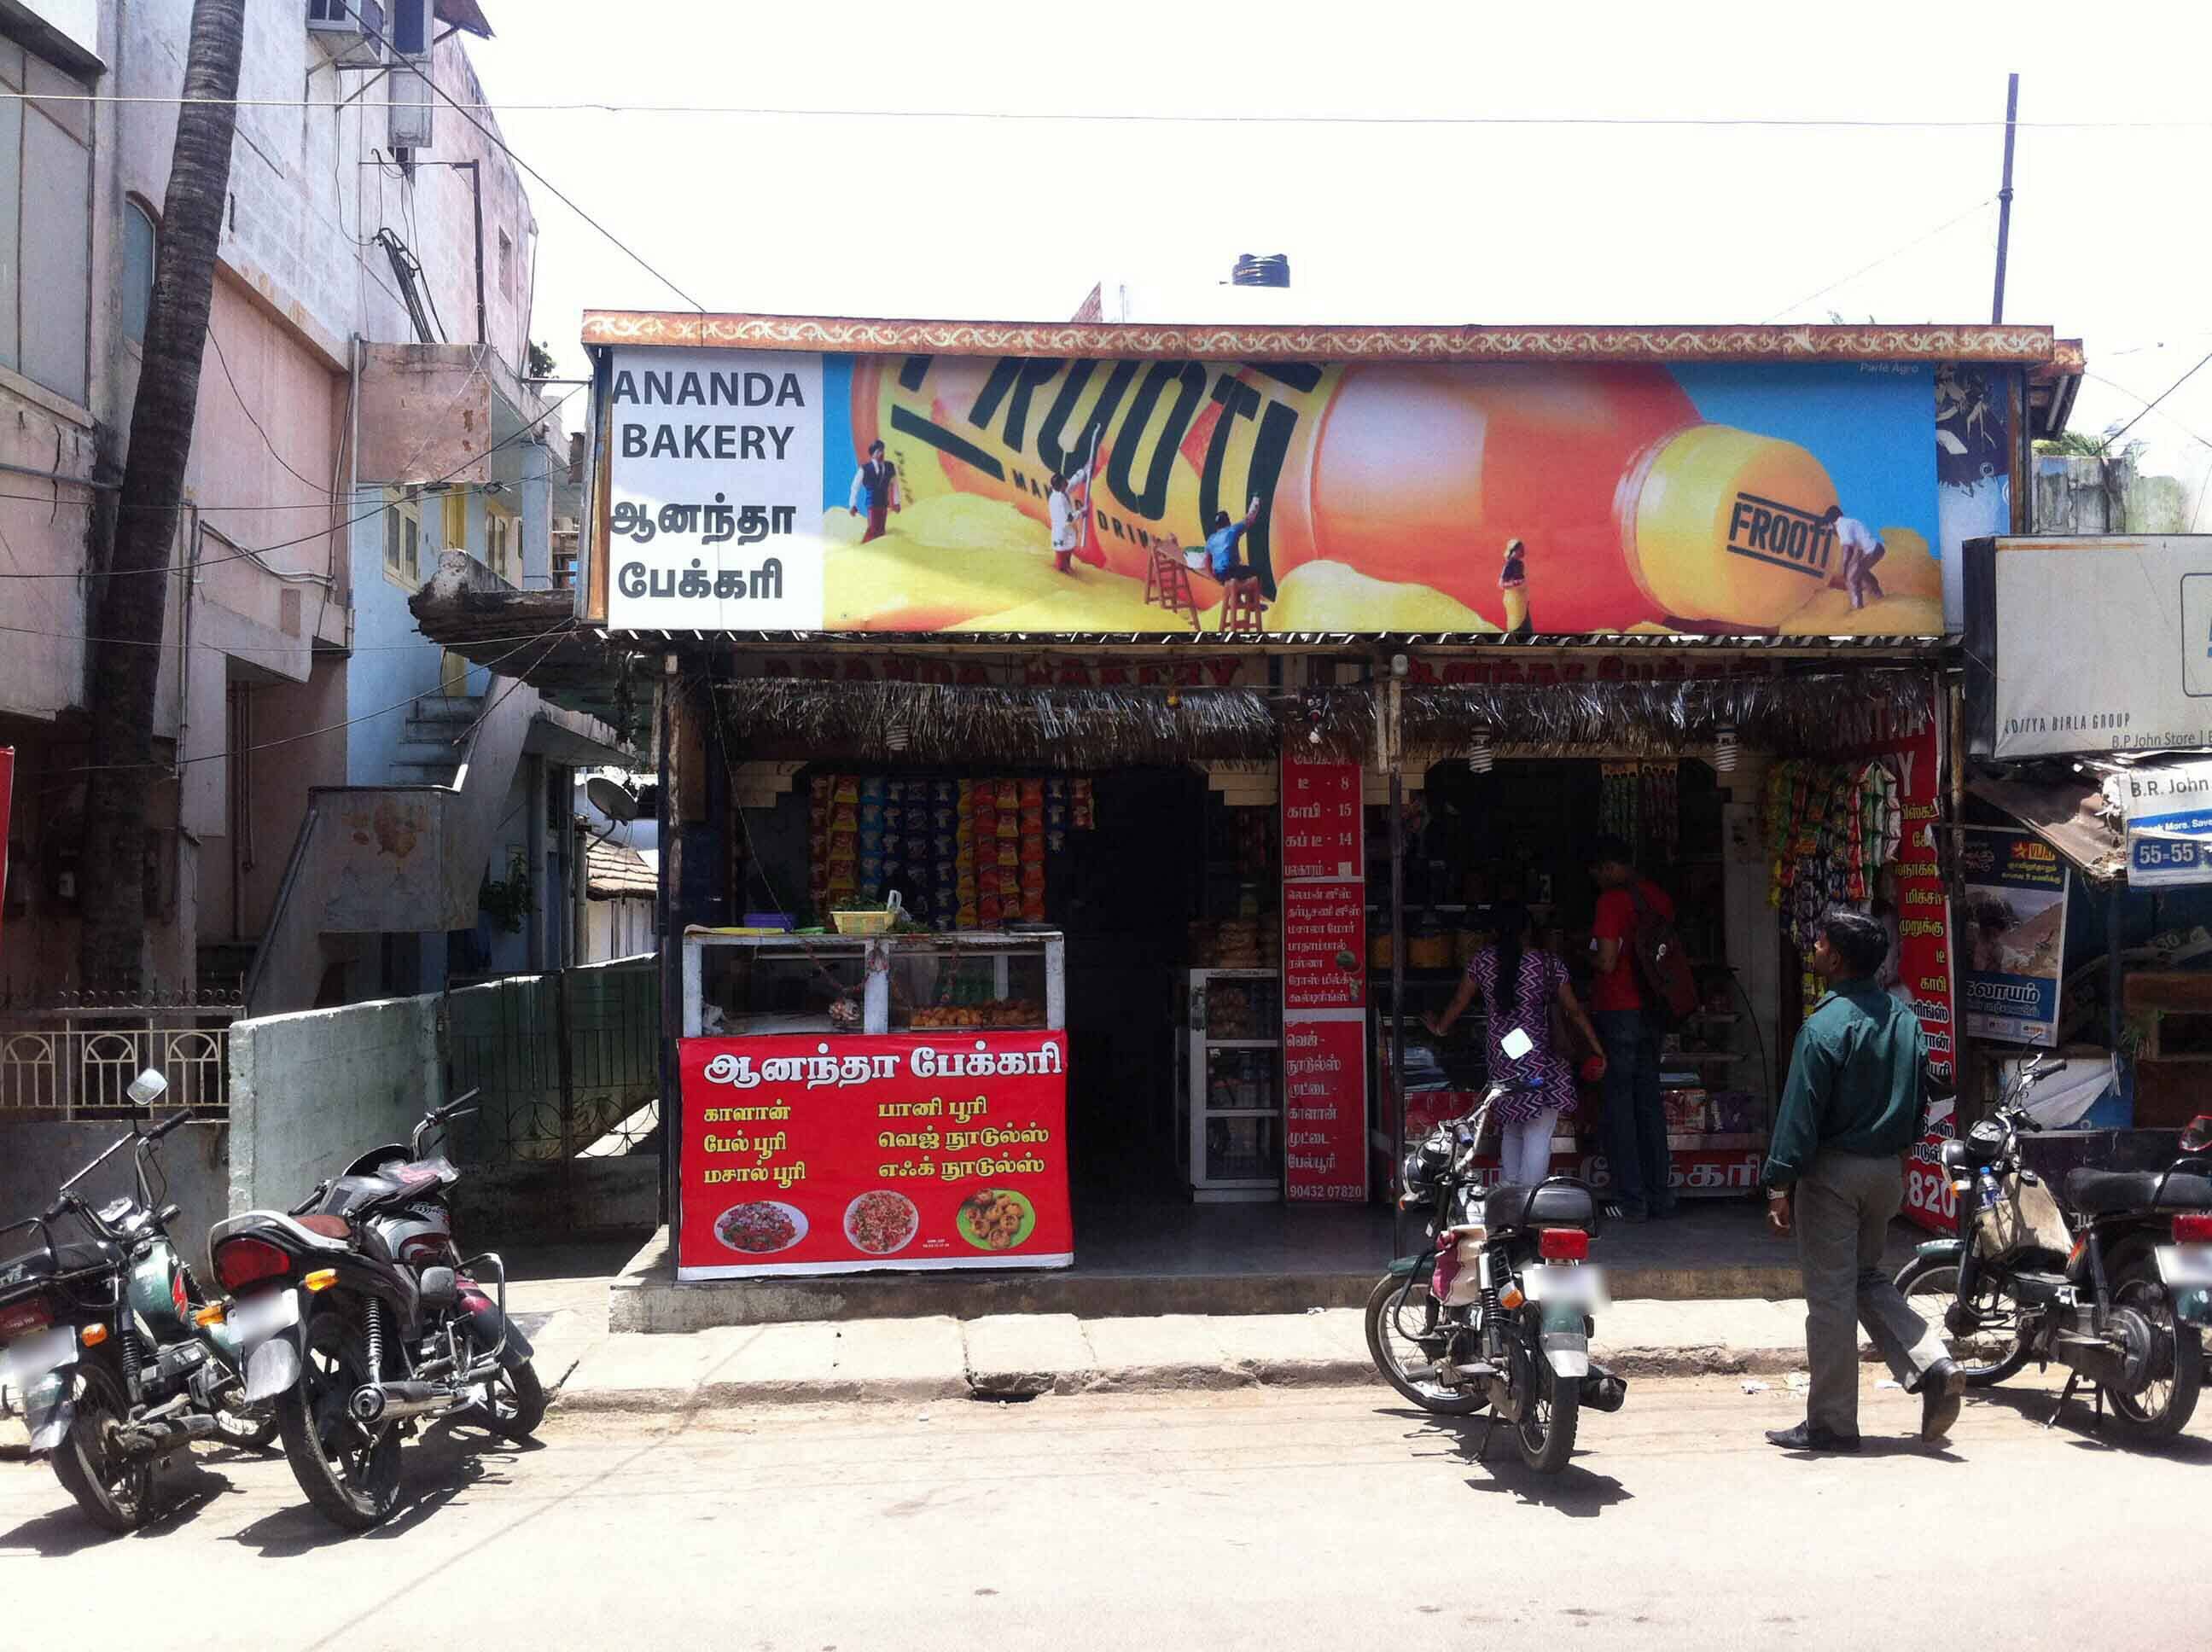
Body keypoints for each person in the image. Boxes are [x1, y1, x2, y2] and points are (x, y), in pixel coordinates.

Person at [1763, 908, 1961, 1454]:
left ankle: (1831, 1423)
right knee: (1864, 1278)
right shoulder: (1906, 1020)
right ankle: (1933, 1362)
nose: (1815, 950)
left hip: (1834, 1173)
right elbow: (1928, 1095)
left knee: (1829, 1298)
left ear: (1840, 957)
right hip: (1887, 1172)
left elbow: (1798, 1114)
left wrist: (1779, 1184)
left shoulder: (1824, 1026)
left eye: (1821, 942)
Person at [1424, 904, 1604, 1187]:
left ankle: (1508, 1194)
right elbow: (1574, 1011)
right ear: (1530, 931)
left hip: (1503, 1054)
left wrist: (1439, 1028)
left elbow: (1459, 1002)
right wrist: (1596, 1047)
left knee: (1512, 1127)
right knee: (1538, 1131)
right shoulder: (1548, 963)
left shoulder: (1482, 961)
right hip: (1543, 1055)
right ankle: (1529, 1202)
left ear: (1494, 932)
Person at [1587, 835, 1674, 1222]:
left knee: (1619, 1105)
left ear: (1608, 867)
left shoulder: (1611, 901)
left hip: (1618, 1009)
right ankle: (1661, 1195)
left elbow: (1606, 961)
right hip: (1652, 1009)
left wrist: (1581, 950)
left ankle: (1631, 1200)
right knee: (1649, 1103)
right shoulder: (1658, 897)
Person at [1204, 497, 1266, 618]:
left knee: (1237, 570)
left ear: (1216, 526)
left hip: (1219, 575)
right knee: (1256, 574)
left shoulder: (1211, 538)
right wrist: (1256, 502)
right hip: (1230, 572)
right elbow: (1249, 519)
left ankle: (1237, 599)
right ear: (1228, 522)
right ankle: (1253, 603)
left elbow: (1207, 560)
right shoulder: (1232, 530)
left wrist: (1212, 576)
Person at [1820, 504, 1885, 610]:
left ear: (1831, 523)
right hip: (1875, 549)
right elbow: (1857, 550)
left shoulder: (1841, 526)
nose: (1828, 529)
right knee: (1859, 573)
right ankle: (1879, 598)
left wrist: (1844, 568)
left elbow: (1847, 550)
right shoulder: (1849, 522)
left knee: (1851, 578)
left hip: (1872, 551)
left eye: (1828, 525)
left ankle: (1857, 610)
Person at [847, 441, 901, 543]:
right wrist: (852, 505)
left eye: (882, 451)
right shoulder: (865, 469)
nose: (881, 454)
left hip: (884, 504)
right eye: (878, 451)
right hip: (872, 504)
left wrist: (897, 502)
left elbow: (895, 485)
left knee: (881, 531)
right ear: (873, 454)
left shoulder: (890, 466)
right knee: (873, 530)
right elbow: (855, 487)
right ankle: (863, 549)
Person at [1047, 463, 1090, 575]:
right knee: (1060, 566)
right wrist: (1082, 512)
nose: (1067, 482)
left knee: (1067, 560)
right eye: (1064, 482)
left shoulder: (1059, 492)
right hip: (1061, 534)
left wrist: (1083, 471)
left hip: (1066, 533)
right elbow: (1068, 518)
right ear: (1060, 485)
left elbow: (1071, 485)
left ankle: (1069, 575)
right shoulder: (1059, 500)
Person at [1499, 538, 1533, 637]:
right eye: (1521, 549)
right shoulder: (1510, 564)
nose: (1523, 552)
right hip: (1514, 601)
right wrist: (1514, 583)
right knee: (1517, 626)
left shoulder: (1520, 564)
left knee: (1526, 627)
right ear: (1514, 550)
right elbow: (1502, 584)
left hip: (1521, 600)